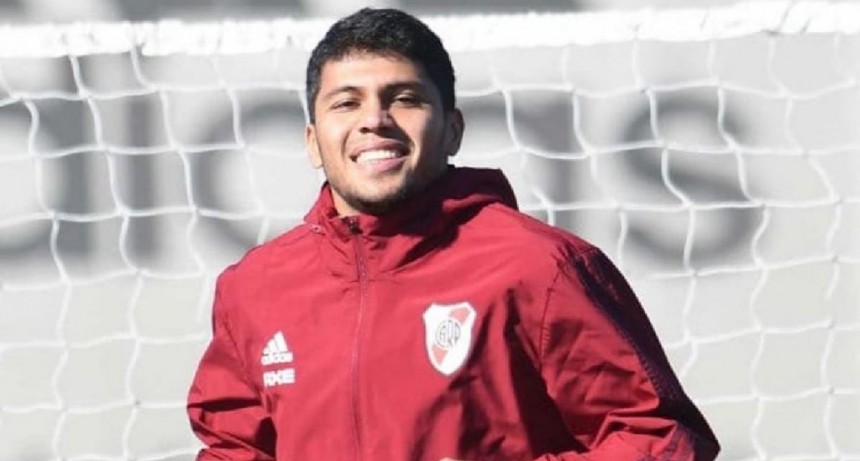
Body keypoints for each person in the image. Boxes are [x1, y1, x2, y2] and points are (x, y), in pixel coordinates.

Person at [187, 7, 720, 461]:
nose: (375, 120)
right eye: (346, 102)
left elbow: (661, 438)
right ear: (312, 140)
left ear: (453, 130)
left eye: (404, 98)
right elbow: (233, 449)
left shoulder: (540, 268)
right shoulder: (254, 287)